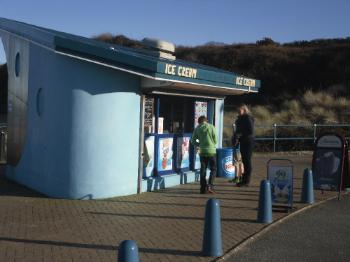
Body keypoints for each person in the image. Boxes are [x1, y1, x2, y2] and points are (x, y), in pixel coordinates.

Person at [191, 116, 218, 194]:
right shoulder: (211, 127)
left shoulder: (197, 128)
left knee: (203, 170)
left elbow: (193, 141)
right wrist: (211, 143)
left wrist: (199, 143)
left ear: (199, 122)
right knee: (213, 169)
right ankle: (210, 185)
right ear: (206, 120)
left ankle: (203, 188)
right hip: (211, 151)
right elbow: (215, 140)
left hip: (202, 151)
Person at [232, 104, 255, 186]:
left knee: (247, 160)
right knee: (244, 161)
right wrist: (235, 139)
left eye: (240, 110)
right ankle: (244, 179)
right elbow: (237, 131)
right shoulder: (239, 119)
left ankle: (246, 180)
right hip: (242, 141)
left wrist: (241, 134)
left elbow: (250, 130)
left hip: (248, 141)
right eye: (237, 110)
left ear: (244, 110)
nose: (238, 111)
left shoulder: (248, 118)